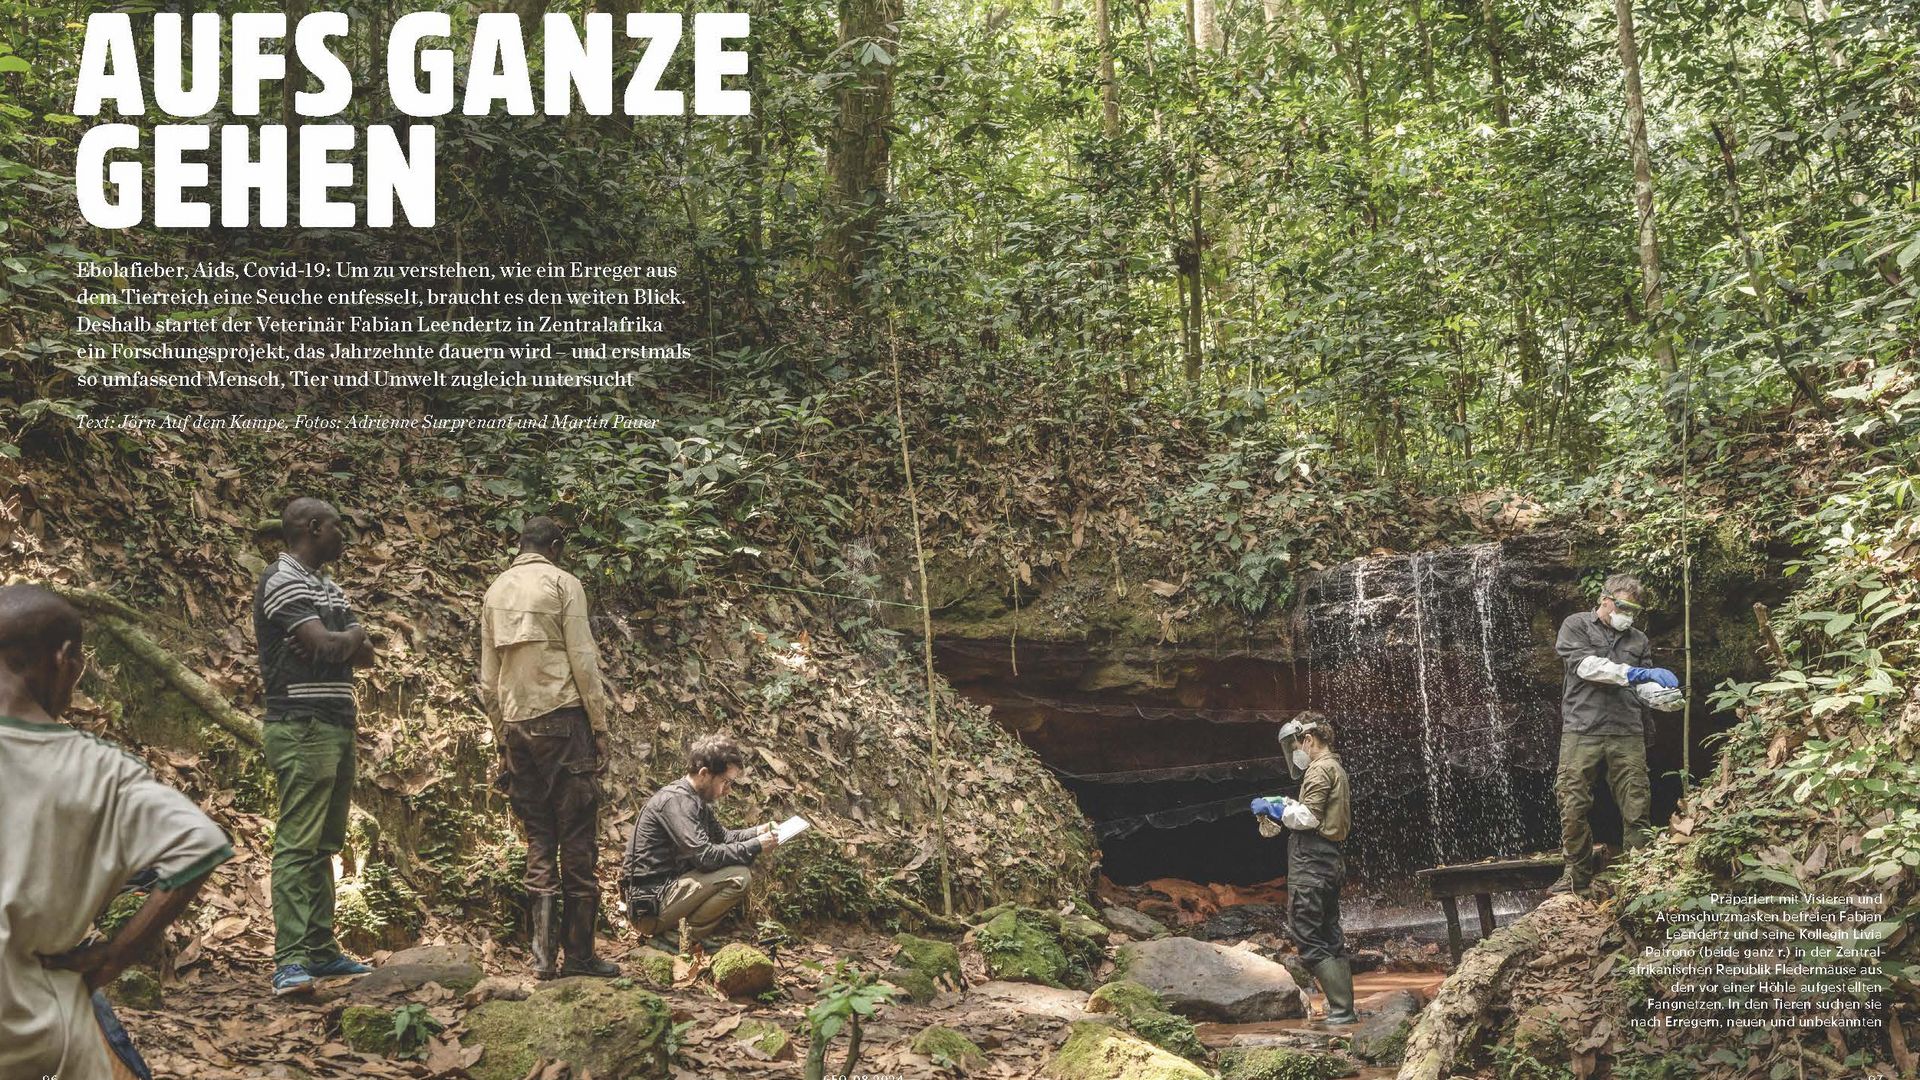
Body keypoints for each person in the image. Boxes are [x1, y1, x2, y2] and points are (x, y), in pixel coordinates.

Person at [0, 584, 234, 1080]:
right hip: (34, 1017)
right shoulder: (98, 768)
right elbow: (201, 845)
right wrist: (115, 955)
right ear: (63, 659)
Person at [479, 516, 619, 979]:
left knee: (539, 838)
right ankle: (579, 956)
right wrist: (598, 725)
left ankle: (541, 960)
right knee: (577, 836)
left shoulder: (495, 591)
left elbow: (488, 679)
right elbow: (583, 659)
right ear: (555, 546)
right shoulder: (564, 584)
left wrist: (502, 733)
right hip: (564, 720)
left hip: (517, 725)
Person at [255, 497, 378, 996]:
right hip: (301, 723)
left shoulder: (327, 585)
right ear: (312, 528)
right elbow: (331, 646)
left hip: (336, 723)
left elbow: (364, 654)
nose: (343, 535)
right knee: (298, 842)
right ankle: (290, 961)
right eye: (336, 527)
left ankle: (321, 950)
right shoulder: (282, 580)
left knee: (325, 843)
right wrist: (343, 638)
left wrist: (346, 637)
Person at [1551, 572, 1684, 896]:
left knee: (1636, 805)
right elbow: (1586, 667)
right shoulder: (1576, 625)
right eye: (1624, 607)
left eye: (1634, 611)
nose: (1629, 616)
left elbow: (1642, 687)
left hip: (1627, 730)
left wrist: (1663, 697)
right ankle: (1576, 876)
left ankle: (1637, 878)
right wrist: (1637, 673)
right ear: (1605, 600)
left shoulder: (1639, 640)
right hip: (1582, 729)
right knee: (1572, 802)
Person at [620, 734, 779, 956]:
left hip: (664, 896)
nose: (728, 790)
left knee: (737, 870)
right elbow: (705, 857)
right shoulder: (677, 801)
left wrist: (758, 832)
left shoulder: (694, 800)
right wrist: (756, 845)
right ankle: (676, 939)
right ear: (704, 774)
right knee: (739, 877)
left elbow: (723, 838)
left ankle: (682, 936)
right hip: (649, 907)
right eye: (725, 782)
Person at [1250, 712, 1356, 1025]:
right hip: (1328, 860)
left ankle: (1342, 1011)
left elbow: (1309, 818)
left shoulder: (1320, 769)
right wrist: (1284, 802)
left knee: (1308, 935)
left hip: (1312, 863)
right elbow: (1314, 811)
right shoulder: (1334, 767)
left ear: (1308, 740)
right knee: (1329, 935)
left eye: (1297, 745)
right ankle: (1343, 1010)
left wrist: (1277, 808)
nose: (1296, 751)